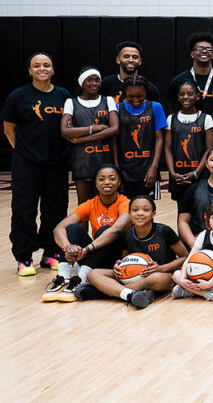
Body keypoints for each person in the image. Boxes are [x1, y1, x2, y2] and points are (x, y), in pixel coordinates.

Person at [79, 195, 187, 308]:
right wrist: (118, 266)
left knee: (156, 278)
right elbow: (125, 259)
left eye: (146, 210)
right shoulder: (127, 234)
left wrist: (161, 268)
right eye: (135, 210)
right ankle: (132, 294)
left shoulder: (164, 231)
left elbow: (184, 257)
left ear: (153, 214)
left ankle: (107, 292)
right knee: (93, 274)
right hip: (132, 275)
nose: (140, 213)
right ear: (129, 214)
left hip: (161, 276)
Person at [45, 165, 130, 301]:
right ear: (96, 183)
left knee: (106, 229)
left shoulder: (125, 203)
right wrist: (68, 247)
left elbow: (116, 230)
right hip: (96, 255)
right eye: (101, 179)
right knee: (73, 228)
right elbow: (59, 228)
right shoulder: (90, 204)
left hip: (116, 258)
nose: (107, 182)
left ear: (119, 182)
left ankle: (81, 278)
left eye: (112, 179)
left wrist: (86, 249)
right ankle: (63, 278)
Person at [61, 66, 119, 203]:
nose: (94, 83)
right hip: (82, 162)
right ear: (82, 82)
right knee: (85, 205)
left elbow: (114, 129)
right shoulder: (71, 102)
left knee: (106, 205)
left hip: (105, 160)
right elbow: (65, 131)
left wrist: (80, 139)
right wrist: (96, 128)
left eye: (97, 80)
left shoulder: (108, 100)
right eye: (90, 80)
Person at [170, 201, 213, 303]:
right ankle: (208, 294)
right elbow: (189, 258)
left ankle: (188, 291)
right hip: (200, 275)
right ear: (208, 220)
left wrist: (209, 283)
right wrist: (183, 278)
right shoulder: (203, 235)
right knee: (177, 274)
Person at [115, 75, 166, 198]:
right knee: (124, 210)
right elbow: (114, 141)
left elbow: (159, 139)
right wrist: (116, 169)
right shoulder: (117, 108)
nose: (135, 99)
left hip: (148, 168)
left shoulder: (156, 107)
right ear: (124, 93)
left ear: (146, 92)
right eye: (130, 96)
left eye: (140, 96)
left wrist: (154, 167)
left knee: (147, 208)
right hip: (124, 168)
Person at [163, 80, 213, 202]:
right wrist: (172, 172)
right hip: (178, 175)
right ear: (178, 97)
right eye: (182, 94)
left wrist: (196, 172)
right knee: (181, 211)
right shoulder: (171, 118)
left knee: (200, 210)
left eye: (190, 94)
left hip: (200, 175)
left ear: (197, 96)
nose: (185, 97)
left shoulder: (206, 118)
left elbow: (210, 149)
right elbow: (168, 148)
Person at [166, 31, 213, 114]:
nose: (204, 51)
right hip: (186, 126)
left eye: (208, 49)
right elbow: (171, 108)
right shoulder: (178, 81)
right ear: (192, 54)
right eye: (200, 48)